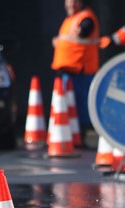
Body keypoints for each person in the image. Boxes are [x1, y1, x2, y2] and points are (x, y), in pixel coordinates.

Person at [52, 0, 100, 139]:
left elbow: (84, 31)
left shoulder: (86, 17)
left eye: (74, 2)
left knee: (80, 107)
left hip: (81, 71)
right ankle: (71, 136)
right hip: (68, 70)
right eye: (69, 1)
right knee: (68, 105)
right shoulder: (70, 19)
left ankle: (81, 135)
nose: (71, 5)